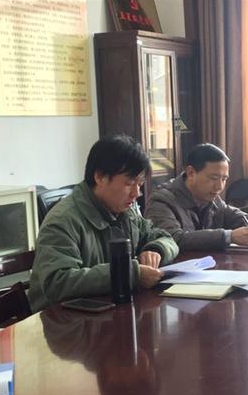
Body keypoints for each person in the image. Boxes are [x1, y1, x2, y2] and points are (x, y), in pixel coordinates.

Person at [28, 134, 179, 313]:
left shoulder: (125, 211)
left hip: (108, 313)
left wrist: (156, 249)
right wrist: (130, 274)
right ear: (100, 177)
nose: (136, 193)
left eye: (139, 184)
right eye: (129, 183)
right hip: (63, 321)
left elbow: (166, 238)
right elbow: (57, 282)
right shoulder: (62, 221)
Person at [145, 143, 248, 251]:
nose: (219, 186)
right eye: (214, 178)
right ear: (191, 173)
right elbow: (174, 239)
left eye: (224, 179)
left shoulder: (211, 196)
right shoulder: (162, 200)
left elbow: (236, 216)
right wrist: (228, 236)